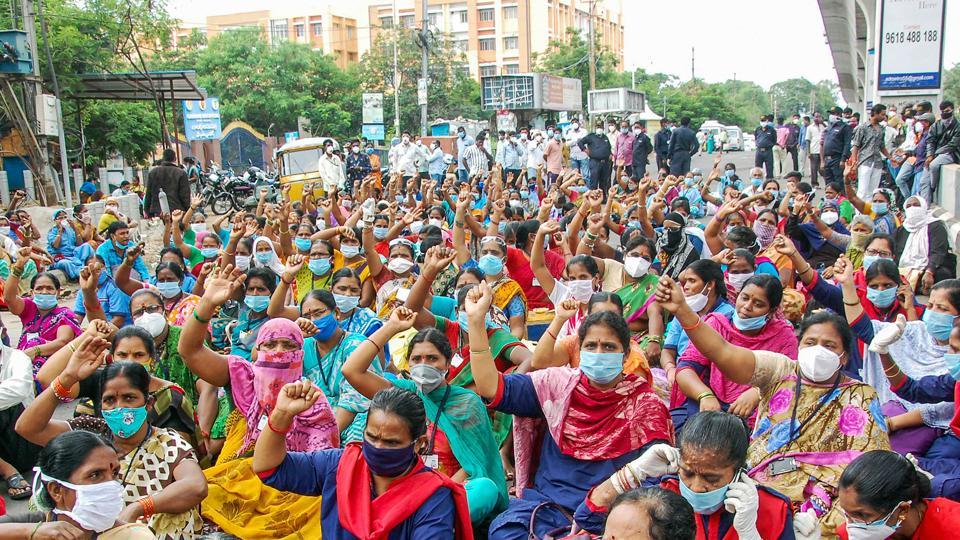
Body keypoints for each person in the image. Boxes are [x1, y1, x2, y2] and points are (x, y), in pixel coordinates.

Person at [654, 276, 890, 536]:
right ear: (799, 346)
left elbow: (869, 469)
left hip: (824, 503)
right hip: (755, 485)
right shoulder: (781, 370)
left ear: (844, 356)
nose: (818, 350)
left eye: (829, 345)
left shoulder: (861, 395)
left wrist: (825, 515)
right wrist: (684, 312)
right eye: (810, 343)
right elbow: (723, 352)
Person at [467, 280, 673, 538]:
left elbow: (655, 482)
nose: (599, 353)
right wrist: (476, 323)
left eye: (608, 347)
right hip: (544, 511)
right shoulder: (556, 387)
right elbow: (490, 387)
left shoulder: (645, 407)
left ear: (624, 356)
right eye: (591, 346)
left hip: (610, 520)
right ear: (580, 350)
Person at [177, 281, 341, 538]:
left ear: (301, 353)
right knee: (206, 492)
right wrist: (206, 305)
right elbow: (190, 351)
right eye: (271, 344)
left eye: (289, 346)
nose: (279, 352)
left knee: (321, 512)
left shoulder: (311, 399)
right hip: (242, 476)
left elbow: (318, 469)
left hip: (290, 484)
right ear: (258, 350)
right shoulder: (242, 376)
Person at [16, 346, 206, 539]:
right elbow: (27, 428)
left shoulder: (167, 442)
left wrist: (138, 508)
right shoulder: (90, 433)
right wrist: (67, 378)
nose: (119, 407)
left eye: (129, 398)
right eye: (109, 400)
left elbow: (195, 486)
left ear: (148, 404)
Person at [342, 307, 507, 523]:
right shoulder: (402, 394)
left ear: (447, 364)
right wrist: (390, 327)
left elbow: (473, 467)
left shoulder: (466, 403)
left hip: (446, 491)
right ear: (408, 364)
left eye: (432, 359)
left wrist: (433, 493)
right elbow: (352, 371)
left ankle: (423, 522)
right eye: (416, 359)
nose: (423, 365)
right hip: (403, 490)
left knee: (484, 489)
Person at [252, 385, 474, 538]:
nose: (378, 447)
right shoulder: (340, 464)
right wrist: (282, 414)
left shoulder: (433, 495)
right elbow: (268, 469)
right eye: (372, 437)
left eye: (391, 442)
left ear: (419, 443)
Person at [578, 411, 797, 540]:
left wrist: (750, 534)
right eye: (688, 472)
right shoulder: (665, 496)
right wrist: (633, 472)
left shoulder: (772, 509)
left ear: (740, 471)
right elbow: (587, 519)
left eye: (711, 479)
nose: (696, 487)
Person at [675, 274, 798, 431]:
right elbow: (686, 368)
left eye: (758, 304)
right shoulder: (718, 323)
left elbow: (789, 379)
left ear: (771, 310)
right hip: (713, 402)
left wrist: (756, 393)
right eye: (744, 298)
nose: (747, 306)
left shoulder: (783, 337)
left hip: (755, 411)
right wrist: (704, 395)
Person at [0, 431, 156, 539]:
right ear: (56, 490)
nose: (111, 485)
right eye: (95, 475)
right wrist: (30, 532)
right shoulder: (34, 525)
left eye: (114, 473)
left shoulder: (133, 536)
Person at [836, 450, 960, 539]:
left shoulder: (953, 529)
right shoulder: (850, 532)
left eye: (861, 514)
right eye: (847, 514)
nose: (852, 526)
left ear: (902, 510)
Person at [3, 264, 81, 378]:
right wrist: (17, 269)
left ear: (58, 292)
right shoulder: (29, 308)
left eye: (49, 288)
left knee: (34, 342)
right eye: (39, 288)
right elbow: (9, 299)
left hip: (52, 366)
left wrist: (35, 350)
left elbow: (63, 342)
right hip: (23, 362)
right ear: (32, 292)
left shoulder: (65, 315)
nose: (44, 292)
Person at [894, 196, 956, 294]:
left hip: (930, 268)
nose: (912, 209)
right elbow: (896, 253)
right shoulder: (902, 230)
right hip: (906, 269)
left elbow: (938, 252)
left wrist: (929, 271)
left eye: (916, 205)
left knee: (942, 274)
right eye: (909, 206)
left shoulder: (936, 226)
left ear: (923, 207)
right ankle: (917, 287)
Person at [919, 100, 959, 202]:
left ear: (952, 110)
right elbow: (930, 141)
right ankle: (925, 207)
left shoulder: (957, 126)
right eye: (943, 111)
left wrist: (935, 154)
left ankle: (933, 186)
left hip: (951, 154)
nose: (945, 113)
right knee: (923, 181)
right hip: (934, 154)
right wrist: (929, 155)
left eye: (947, 111)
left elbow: (953, 145)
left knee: (934, 165)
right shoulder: (935, 126)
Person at [850, 104, 891, 200]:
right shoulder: (862, 127)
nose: (884, 117)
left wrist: (890, 158)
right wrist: (854, 162)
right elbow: (855, 146)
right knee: (862, 190)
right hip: (865, 161)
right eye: (882, 114)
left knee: (873, 191)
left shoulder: (881, 129)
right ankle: (858, 213)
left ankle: (869, 212)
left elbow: (882, 146)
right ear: (875, 113)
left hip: (877, 162)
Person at [47, 208, 94, 280]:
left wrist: (75, 229)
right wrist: (60, 232)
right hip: (61, 257)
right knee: (65, 263)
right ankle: (79, 275)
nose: (63, 219)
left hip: (73, 254)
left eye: (65, 217)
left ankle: (88, 267)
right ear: (55, 220)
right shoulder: (52, 232)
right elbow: (55, 246)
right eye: (60, 218)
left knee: (86, 246)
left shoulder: (70, 229)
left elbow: (79, 244)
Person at [144, 148, 191, 217]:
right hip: (176, 211)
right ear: (175, 158)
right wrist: (187, 210)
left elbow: (148, 193)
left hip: (158, 212)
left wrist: (146, 210)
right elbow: (185, 195)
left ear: (163, 158)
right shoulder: (181, 173)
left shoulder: (153, 172)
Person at [821, 106, 853, 184]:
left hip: (837, 159)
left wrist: (843, 159)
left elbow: (847, 144)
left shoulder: (845, 127)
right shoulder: (829, 127)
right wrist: (822, 161)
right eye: (830, 114)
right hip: (827, 159)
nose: (831, 115)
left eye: (833, 113)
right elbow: (823, 144)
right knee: (828, 184)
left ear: (839, 114)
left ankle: (841, 196)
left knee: (838, 183)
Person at [577, 124, 613, 192]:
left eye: (601, 127)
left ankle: (603, 198)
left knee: (604, 181)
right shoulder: (591, 136)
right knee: (594, 181)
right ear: (595, 128)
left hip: (605, 162)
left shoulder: (605, 137)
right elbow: (580, 142)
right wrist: (584, 149)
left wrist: (610, 154)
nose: (599, 129)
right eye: (598, 127)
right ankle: (593, 197)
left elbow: (609, 147)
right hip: (595, 162)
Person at [754, 116, 777, 180]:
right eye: (762, 121)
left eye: (764, 121)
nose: (763, 122)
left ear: (767, 121)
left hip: (768, 151)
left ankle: (769, 181)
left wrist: (769, 145)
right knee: (758, 168)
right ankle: (758, 181)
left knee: (769, 167)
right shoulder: (757, 129)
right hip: (759, 151)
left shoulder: (771, 130)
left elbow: (774, 140)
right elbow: (756, 138)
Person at [807, 114, 824, 187]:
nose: (817, 118)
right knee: (814, 168)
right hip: (814, 150)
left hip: (823, 150)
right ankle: (814, 183)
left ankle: (827, 183)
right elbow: (808, 140)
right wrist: (808, 152)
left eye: (819, 116)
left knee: (823, 168)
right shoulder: (810, 127)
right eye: (816, 117)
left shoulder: (824, 126)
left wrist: (822, 123)